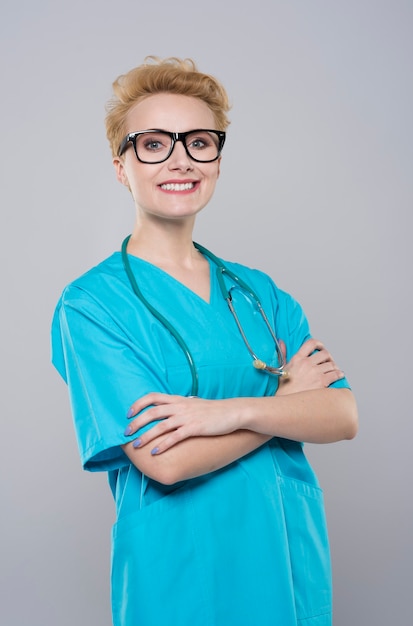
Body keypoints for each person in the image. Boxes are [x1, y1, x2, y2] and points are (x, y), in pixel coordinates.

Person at [51, 56, 358, 626]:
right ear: (121, 166)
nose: (180, 160)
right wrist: (286, 406)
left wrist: (223, 414)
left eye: (198, 141)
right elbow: (165, 462)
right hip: (183, 569)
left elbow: (341, 413)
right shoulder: (91, 305)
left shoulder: (259, 292)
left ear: (217, 159)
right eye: (152, 144)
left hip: (288, 555)